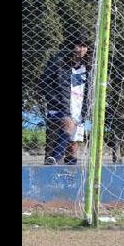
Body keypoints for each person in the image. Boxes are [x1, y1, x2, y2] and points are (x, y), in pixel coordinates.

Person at [39, 34, 90, 165]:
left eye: (84, 46)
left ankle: (69, 177)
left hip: (78, 109)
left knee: (73, 147)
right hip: (59, 107)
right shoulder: (58, 62)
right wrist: (55, 101)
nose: (82, 49)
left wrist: (84, 110)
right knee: (69, 124)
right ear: (72, 46)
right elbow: (43, 84)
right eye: (79, 45)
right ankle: (54, 159)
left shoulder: (88, 66)